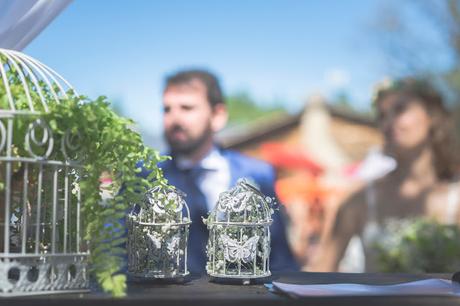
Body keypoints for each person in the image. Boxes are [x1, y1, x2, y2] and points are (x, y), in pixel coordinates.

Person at [139, 69, 298, 274]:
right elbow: (119, 260)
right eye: (167, 109)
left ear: (218, 116)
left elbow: (280, 258)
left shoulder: (259, 174)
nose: (174, 119)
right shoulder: (143, 178)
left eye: (187, 108)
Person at [308, 77, 460, 272]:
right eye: (382, 116)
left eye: (400, 110)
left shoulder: (455, 198)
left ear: (432, 115)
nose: (389, 123)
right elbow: (319, 275)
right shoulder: (360, 198)